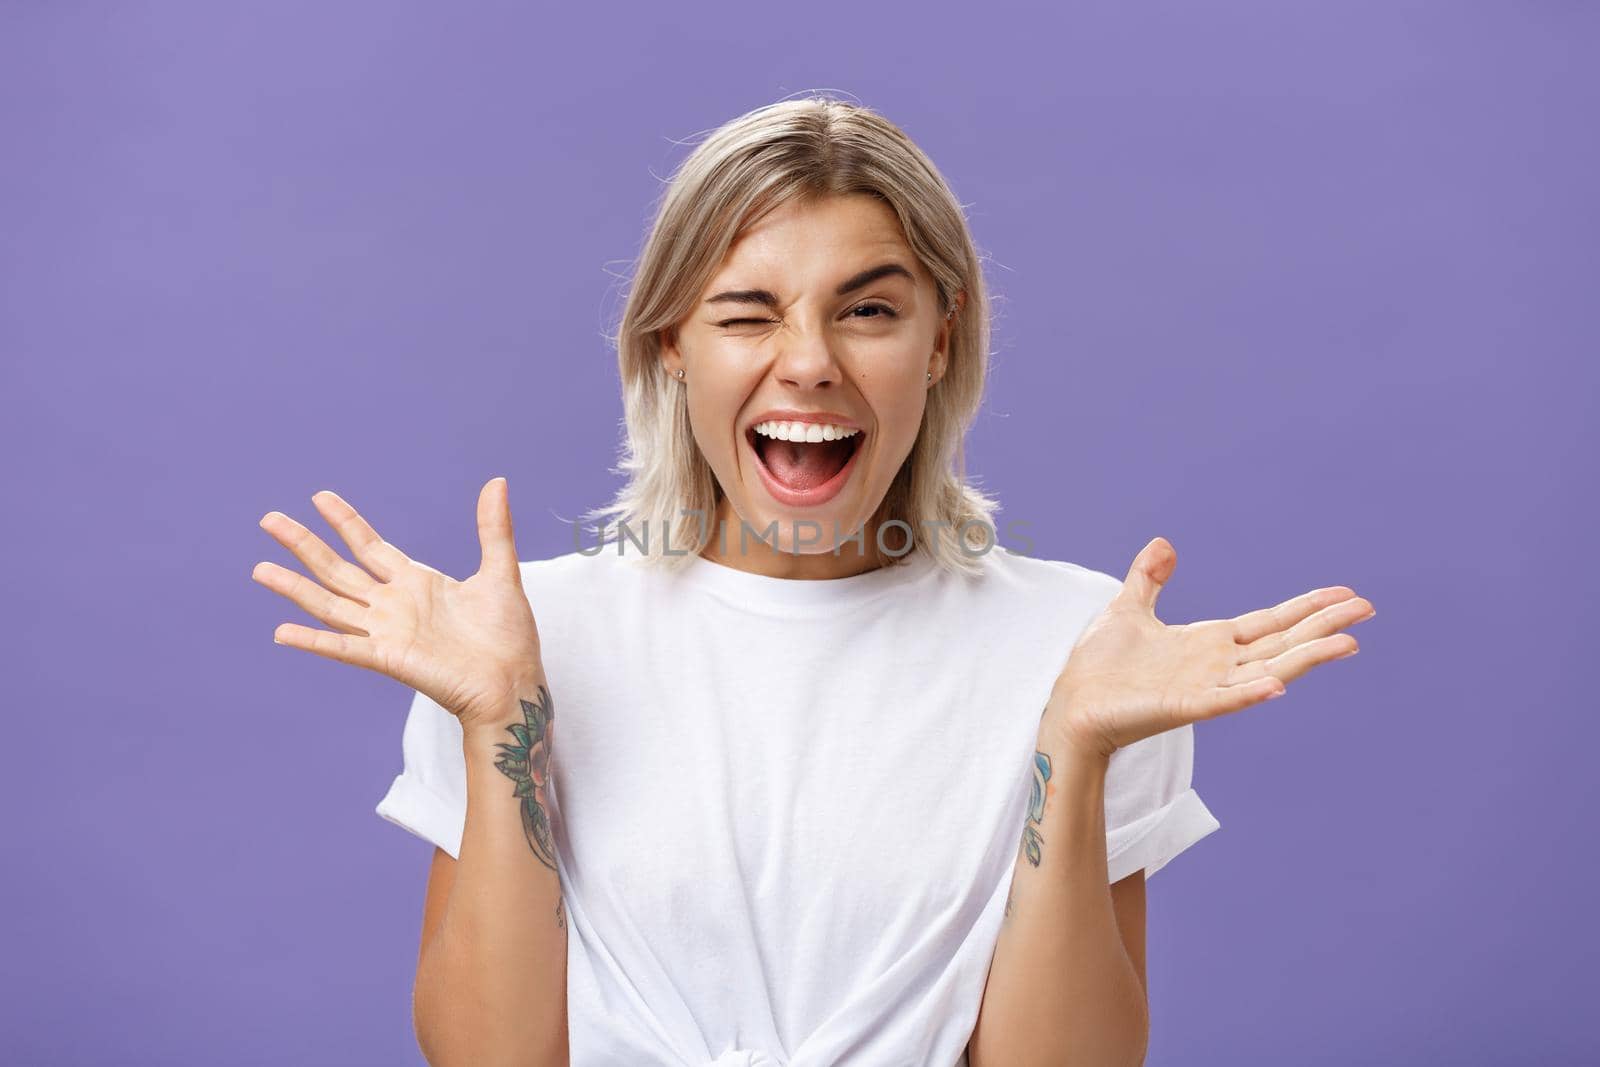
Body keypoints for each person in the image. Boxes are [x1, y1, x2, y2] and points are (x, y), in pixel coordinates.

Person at [253, 96, 1374, 1067]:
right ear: (669, 346)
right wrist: (502, 717)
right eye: (746, 312)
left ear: (942, 340)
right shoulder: (517, 639)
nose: (808, 361)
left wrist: (1073, 746)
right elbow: (492, 1055)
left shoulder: (1084, 648)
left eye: (869, 309)